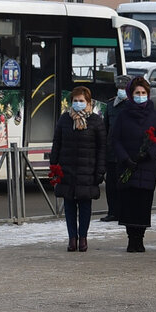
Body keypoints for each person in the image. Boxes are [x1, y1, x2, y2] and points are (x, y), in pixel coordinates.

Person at [111, 76, 156, 252]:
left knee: (143, 205)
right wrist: (125, 158)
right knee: (128, 204)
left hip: (146, 166)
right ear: (131, 94)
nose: (140, 95)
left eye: (143, 93)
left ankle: (140, 239)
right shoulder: (123, 114)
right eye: (137, 93)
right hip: (127, 165)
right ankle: (131, 239)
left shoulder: (154, 115)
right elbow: (115, 139)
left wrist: (149, 153)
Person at [50, 86, 106, 252]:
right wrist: (54, 167)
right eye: (75, 101)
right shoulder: (64, 119)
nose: (78, 103)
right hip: (67, 170)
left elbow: (102, 148)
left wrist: (100, 171)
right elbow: (57, 144)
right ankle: (72, 239)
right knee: (69, 207)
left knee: (85, 207)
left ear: (88, 102)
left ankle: (83, 238)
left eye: (82, 101)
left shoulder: (96, 121)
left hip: (87, 171)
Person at [100, 74, 132, 223]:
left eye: (124, 88)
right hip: (112, 153)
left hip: (127, 154)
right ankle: (112, 212)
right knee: (111, 185)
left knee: (125, 185)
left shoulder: (133, 105)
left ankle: (125, 212)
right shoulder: (111, 105)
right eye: (119, 88)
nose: (121, 90)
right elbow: (105, 129)